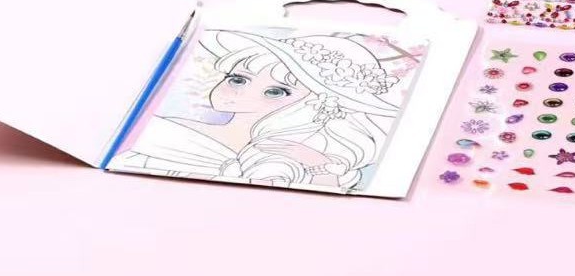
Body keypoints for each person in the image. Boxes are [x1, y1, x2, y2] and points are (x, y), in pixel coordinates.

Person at [113, 31, 401, 192]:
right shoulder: (163, 128)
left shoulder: (289, 156)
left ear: (318, 104)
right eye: (238, 79)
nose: (242, 92)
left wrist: (317, 165)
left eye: (276, 91)